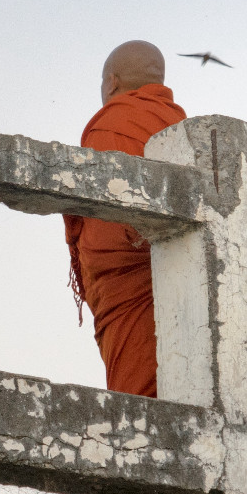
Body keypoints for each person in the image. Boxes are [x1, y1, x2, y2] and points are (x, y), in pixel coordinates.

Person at [65, 40, 186, 400]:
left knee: (142, 409)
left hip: (130, 287)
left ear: (112, 81)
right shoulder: (179, 124)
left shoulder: (110, 123)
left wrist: (97, 265)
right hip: (178, 281)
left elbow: (107, 232)